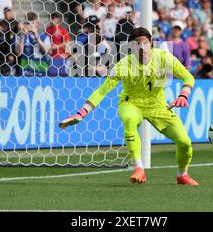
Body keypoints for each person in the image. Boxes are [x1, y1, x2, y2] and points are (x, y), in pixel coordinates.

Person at [59, 27, 199, 186]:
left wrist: (183, 95)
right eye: (137, 44)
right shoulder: (123, 65)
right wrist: (81, 113)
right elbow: (102, 91)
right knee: (129, 120)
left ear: (151, 43)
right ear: (131, 47)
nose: (142, 47)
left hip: (158, 106)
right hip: (131, 103)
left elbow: (188, 77)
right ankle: (139, 168)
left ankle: (182, 175)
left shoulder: (164, 58)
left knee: (185, 142)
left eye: (145, 43)